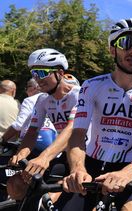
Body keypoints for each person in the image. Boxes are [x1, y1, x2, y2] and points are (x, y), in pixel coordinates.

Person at [62, 18, 132, 211]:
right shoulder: (92, 86)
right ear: (112, 50)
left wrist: (128, 173)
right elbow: (77, 134)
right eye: (126, 43)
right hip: (91, 166)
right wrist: (78, 168)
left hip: (129, 167)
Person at [7, 48, 78, 200]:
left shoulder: (79, 94)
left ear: (59, 72)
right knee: (16, 185)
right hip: (64, 155)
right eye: (34, 74)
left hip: (86, 156)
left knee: (50, 198)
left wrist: (45, 157)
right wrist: (21, 154)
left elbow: (72, 128)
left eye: (42, 72)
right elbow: (32, 131)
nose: (37, 79)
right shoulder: (43, 100)